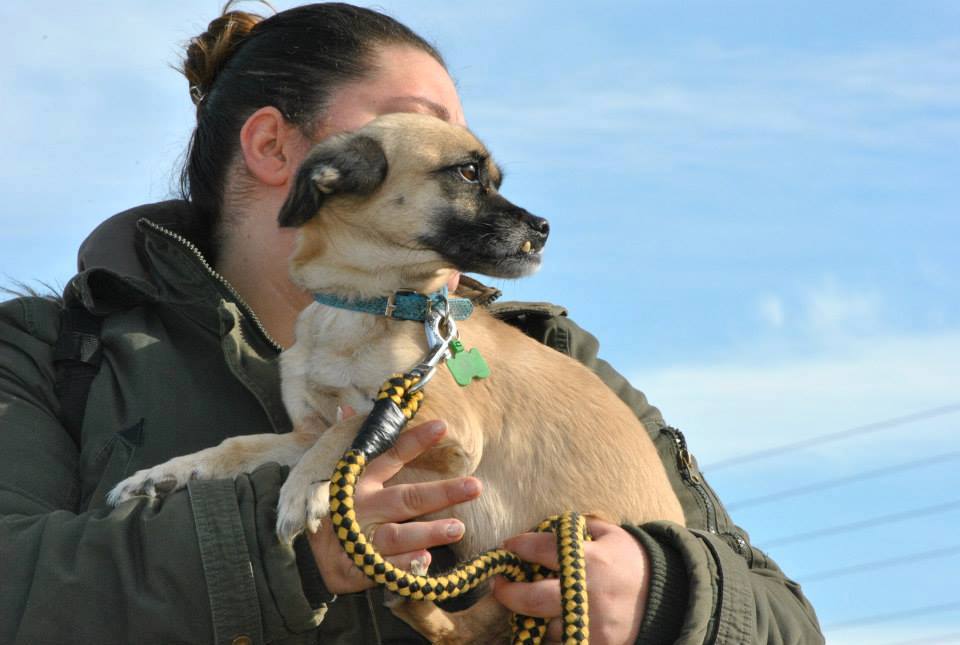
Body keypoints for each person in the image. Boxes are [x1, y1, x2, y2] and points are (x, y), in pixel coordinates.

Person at [0, 3, 824, 644]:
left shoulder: (545, 358)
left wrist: (669, 597)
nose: (481, 187)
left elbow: (786, 621)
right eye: (432, 138)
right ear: (276, 149)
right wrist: (284, 548)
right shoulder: (48, 355)